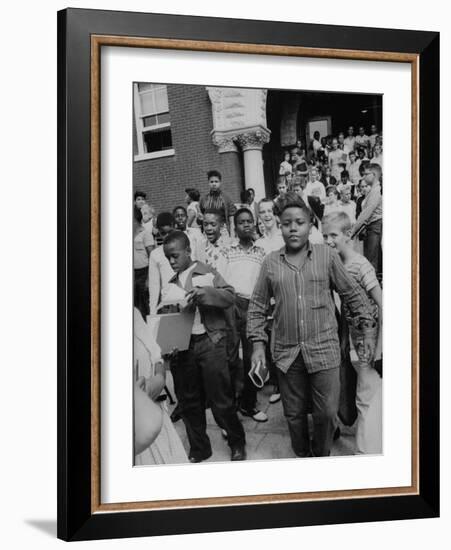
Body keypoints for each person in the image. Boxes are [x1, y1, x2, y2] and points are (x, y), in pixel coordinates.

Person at [247, 201, 375, 457]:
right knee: (294, 415)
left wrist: (368, 329)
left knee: (326, 413)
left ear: (310, 225)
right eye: (286, 224)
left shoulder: (326, 256)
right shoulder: (271, 262)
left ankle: (321, 456)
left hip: (324, 349)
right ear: (279, 227)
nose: (293, 229)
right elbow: (257, 306)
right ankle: (303, 456)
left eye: (299, 223)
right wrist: (258, 346)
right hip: (287, 353)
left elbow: (352, 293)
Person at [163, 231, 246, 462]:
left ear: (189, 251)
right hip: (183, 347)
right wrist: (167, 343)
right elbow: (169, 319)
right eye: (167, 257)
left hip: (211, 341)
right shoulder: (170, 284)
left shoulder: (206, 271)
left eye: (175, 256)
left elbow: (230, 296)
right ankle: (200, 448)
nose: (171, 261)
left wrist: (204, 293)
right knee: (189, 401)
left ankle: (237, 442)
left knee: (221, 399)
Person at [322, 212, 382, 454]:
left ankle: (364, 452)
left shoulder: (360, 264)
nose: (328, 241)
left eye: (333, 235)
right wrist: (345, 339)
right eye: (325, 235)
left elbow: (382, 303)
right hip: (353, 341)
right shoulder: (338, 264)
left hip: (369, 342)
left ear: (348, 235)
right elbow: (347, 306)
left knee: (366, 399)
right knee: (355, 396)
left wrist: (379, 351)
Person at [222, 209, 268, 422]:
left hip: (253, 306)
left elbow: (265, 282)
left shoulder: (261, 251)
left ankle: (249, 404)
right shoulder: (227, 250)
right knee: (230, 357)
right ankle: (231, 406)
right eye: (241, 222)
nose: (246, 225)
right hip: (232, 305)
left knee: (253, 357)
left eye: (249, 221)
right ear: (235, 226)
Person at [133, 308, 188, 464]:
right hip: (138, 431)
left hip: (159, 416)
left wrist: (159, 378)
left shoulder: (134, 312)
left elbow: (156, 355)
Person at [351, 163, 383, 276]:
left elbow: (365, 214)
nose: (363, 177)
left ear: (373, 175)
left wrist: (353, 230)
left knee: (371, 262)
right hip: (370, 227)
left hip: (375, 226)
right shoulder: (372, 191)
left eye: (365, 174)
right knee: (370, 260)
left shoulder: (376, 191)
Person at [148, 212, 176, 315]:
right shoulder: (156, 254)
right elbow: (154, 285)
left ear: (175, 227)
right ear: (159, 232)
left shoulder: (185, 247)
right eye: (163, 233)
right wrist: (153, 312)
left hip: (187, 301)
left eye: (170, 232)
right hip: (167, 304)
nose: (167, 236)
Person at [199, 170, 236, 238]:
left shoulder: (226, 198)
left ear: (220, 182)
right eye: (211, 182)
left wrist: (232, 237)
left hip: (222, 230)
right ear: (208, 183)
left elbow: (232, 220)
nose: (214, 184)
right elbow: (201, 215)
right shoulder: (204, 199)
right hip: (208, 231)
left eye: (216, 181)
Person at [134, 209, 153, 319]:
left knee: (145, 303)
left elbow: (152, 256)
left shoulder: (145, 233)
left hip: (144, 272)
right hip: (133, 273)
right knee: (135, 305)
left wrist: (149, 278)